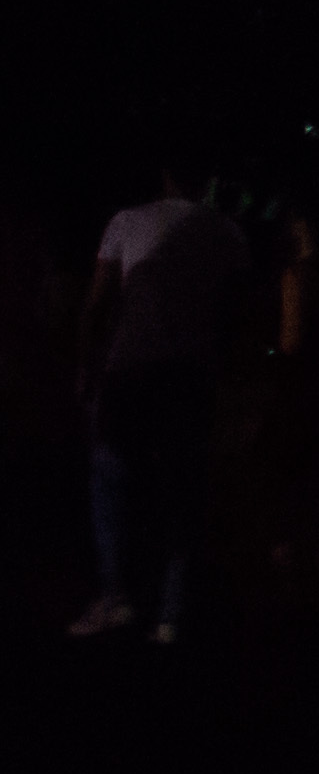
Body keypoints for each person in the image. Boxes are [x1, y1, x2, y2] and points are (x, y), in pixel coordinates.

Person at [75, 159, 251, 642]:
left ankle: (116, 594)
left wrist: (86, 367)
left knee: (111, 477)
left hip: (129, 367)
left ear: (165, 174)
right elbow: (236, 312)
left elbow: (97, 304)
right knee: (182, 487)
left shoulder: (127, 222)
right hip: (189, 372)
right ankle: (171, 614)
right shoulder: (227, 232)